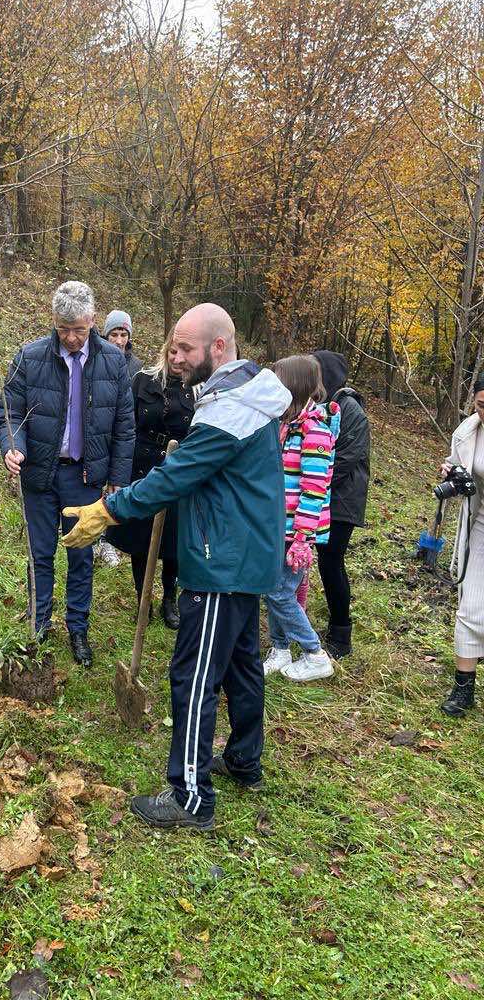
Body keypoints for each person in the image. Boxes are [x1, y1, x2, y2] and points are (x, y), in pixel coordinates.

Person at [62, 303, 291, 831]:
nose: (175, 357)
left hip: (221, 562)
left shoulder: (230, 410)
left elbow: (174, 478)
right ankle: (244, 759)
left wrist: (107, 510)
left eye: (186, 348)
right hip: (247, 555)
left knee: (193, 675)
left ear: (218, 347)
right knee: (242, 665)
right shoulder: (244, 392)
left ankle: (190, 797)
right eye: (173, 346)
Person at [0, 281, 135, 669]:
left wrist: (117, 478)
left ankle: (78, 628)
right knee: (40, 553)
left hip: (85, 476)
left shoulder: (113, 362)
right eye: (63, 329)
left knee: (81, 555)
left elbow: (124, 425)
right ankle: (38, 624)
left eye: (78, 330)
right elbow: (9, 410)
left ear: (92, 320)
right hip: (39, 473)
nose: (71, 338)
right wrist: (12, 445)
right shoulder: (30, 357)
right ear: (53, 322)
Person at [105, 332, 195, 629]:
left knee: (173, 538)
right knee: (140, 537)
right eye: (172, 352)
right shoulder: (143, 380)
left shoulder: (197, 389)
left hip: (177, 467)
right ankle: (143, 599)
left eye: (182, 353)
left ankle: (170, 598)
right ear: (165, 351)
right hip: (141, 464)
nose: (176, 359)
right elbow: (125, 424)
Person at [262, 356, 340, 683]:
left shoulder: (315, 431)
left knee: (280, 592)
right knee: (273, 588)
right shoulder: (287, 426)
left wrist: (302, 537)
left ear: (292, 387)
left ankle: (314, 653)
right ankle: (280, 649)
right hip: (279, 526)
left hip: (298, 532)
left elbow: (314, 489)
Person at [312, 350, 371, 658]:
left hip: (342, 501)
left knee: (332, 561)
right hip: (325, 495)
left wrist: (314, 481)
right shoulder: (322, 405)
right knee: (325, 561)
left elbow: (346, 459)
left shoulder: (350, 410)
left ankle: (341, 634)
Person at [439, 375, 484, 717]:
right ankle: (463, 688)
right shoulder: (468, 431)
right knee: (470, 605)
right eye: (481, 406)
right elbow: (458, 468)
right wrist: (452, 474)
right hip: (481, 524)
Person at [92, 310, 143, 569]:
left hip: (123, 438)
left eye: (124, 334)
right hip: (98, 434)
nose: (120, 340)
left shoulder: (137, 368)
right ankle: (91, 536)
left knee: (116, 489)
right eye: (115, 334)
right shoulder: (95, 358)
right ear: (106, 334)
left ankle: (108, 541)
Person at [103, 310, 143, 378]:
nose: (119, 341)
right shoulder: (93, 359)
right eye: (114, 335)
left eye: (123, 335)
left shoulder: (137, 366)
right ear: (107, 336)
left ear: (128, 337)